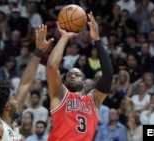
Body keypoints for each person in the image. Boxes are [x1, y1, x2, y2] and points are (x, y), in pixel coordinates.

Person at [46, 12, 113, 141]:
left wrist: (97, 39)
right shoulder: (60, 94)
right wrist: (64, 37)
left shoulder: (93, 101)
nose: (72, 75)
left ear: (84, 83)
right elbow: (51, 66)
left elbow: (108, 75)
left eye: (77, 74)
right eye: (70, 74)